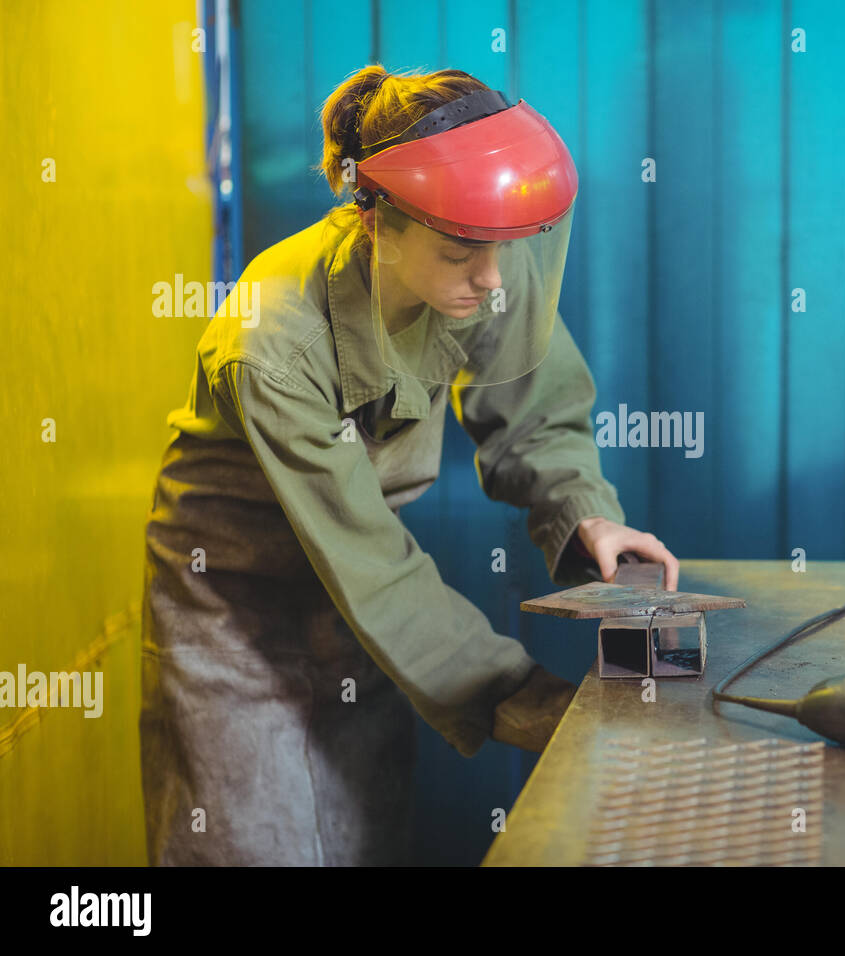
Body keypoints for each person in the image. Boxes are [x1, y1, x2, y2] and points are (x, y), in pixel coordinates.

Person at [139, 65, 679, 866]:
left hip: (367, 602)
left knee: (363, 842)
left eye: (500, 249)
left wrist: (586, 514)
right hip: (234, 610)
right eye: (462, 251)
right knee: (249, 847)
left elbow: (536, 416)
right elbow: (368, 561)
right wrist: (526, 698)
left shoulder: (484, 249)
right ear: (375, 219)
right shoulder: (272, 340)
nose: (492, 278)